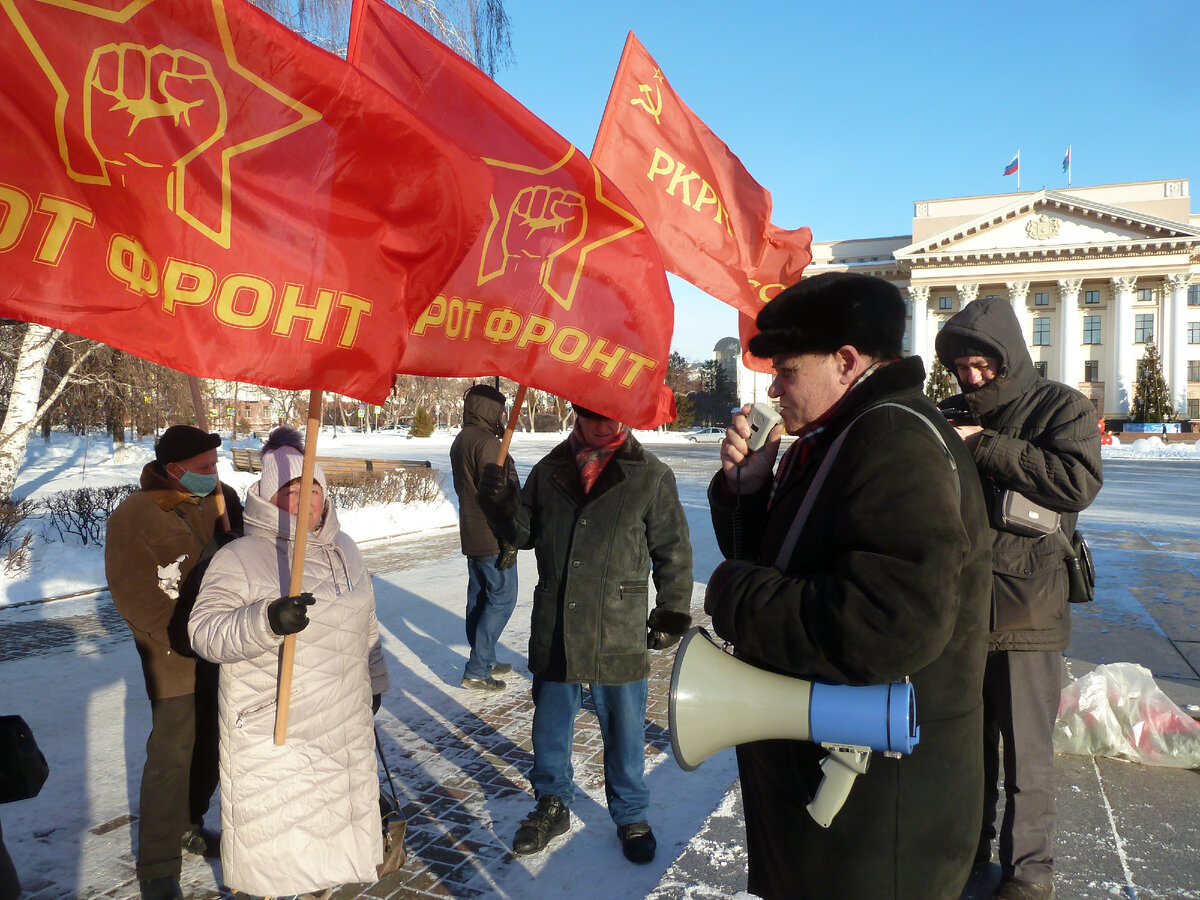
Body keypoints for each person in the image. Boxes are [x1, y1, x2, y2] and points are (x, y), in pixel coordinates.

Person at [703, 272, 993, 900]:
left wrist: (732, 593)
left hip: (875, 827)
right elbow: (794, 558)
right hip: (846, 804)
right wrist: (747, 497)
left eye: (785, 370)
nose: (774, 388)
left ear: (845, 360)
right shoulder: (849, 432)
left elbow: (888, 622)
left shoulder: (892, 438)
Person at [935, 297, 1102, 900]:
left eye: (982, 363)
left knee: (1027, 759)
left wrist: (985, 446)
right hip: (958, 613)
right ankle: (967, 854)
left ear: (1008, 356)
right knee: (963, 750)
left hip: (1027, 609)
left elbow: (1077, 482)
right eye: (961, 365)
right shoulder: (948, 412)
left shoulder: (1063, 405)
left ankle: (1030, 875)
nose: (971, 376)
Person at [476, 404, 693, 864]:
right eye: (593, 414)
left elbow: (672, 549)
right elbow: (525, 533)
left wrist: (672, 610)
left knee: (625, 727)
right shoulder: (550, 469)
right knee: (551, 723)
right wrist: (500, 507)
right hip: (557, 621)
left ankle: (631, 814)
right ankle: (552, 802)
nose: (604, 422)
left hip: (618, 624)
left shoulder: (650, 474)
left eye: (613, 414)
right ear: (576, 412)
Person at [189, 427, 388, 899]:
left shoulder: (346, 549)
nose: (306, 500)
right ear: (266, 497)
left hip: (342, 722)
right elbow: (204, 632)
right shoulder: (240, 557)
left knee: (331, 838)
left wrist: (374, 679)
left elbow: (367, 620)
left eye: (313, 489)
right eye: (291, 490)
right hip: (276, 728)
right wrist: (266, 620)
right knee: (282, 846)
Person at [105, 424, 244, 900]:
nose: (214, 474)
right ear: (173, 470)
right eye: (204, 467)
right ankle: (158, 867)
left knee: (211, 746)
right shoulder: (136, 513)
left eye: (215, 465)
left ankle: (188, 823)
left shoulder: (222, 499)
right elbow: (133, 594)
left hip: (221, 647)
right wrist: (179, 636)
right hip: (172, 655)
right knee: (170, 755)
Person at [449, 385, 520, 692]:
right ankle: (477, 668)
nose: (503, 415)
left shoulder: (463, 438)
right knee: (502, 597)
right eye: (500, 410)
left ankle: (485, 656)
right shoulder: (489, 444)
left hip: (471, 530)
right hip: (492, 532)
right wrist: (509, 537)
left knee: (479, 597)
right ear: (490, 410)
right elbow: (499, 494)